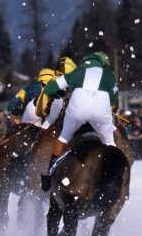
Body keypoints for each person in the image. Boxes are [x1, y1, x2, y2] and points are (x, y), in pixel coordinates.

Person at [37, 51, 118, 191]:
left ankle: (49, 175)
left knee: (63, 138)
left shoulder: (78, 71)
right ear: (103, 64)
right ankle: (115, 177)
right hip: (101, 111)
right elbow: (114, 102)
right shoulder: (110, 75)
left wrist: (52, 96)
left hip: (77, 109)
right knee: (110, 143)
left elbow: (52, 87)